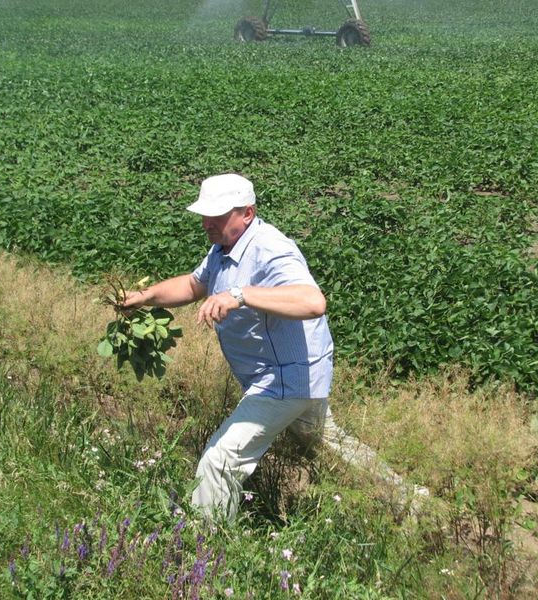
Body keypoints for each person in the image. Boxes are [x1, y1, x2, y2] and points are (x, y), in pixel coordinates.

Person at [120, 173, 427, 521]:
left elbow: (312, 301)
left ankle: (205, 550)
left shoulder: (269, 248)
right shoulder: (224, 246)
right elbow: (194, 285)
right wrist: (144, 297)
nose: (206, 223)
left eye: (217, 216)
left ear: (247, 213)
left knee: (221, 461)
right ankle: (411, 500)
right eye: (204, 215)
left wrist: (240, 295)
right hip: (296, 376)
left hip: (284, 380)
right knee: (328, 442)